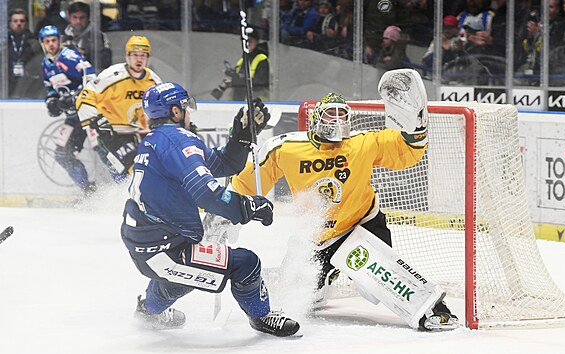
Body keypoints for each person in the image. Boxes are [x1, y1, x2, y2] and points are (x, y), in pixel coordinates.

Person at [230, 70, 459, 332]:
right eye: (331, 114)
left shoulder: (361, 143)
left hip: (362, 227)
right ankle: (326, 279)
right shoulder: (286, 148)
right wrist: (230, 210)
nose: (337, 120)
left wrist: (415, 127)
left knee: (375, 284)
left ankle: (433, 309)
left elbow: (406, 152)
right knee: (297, 295)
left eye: (342, 115)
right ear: (317, 118)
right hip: (316, 236)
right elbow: (246, 183)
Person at [120, 82, 300, 337]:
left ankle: (148, 311)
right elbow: (206, 192)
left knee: (185, 277)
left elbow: (223, 163)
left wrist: (240, 137)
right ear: (175, 111)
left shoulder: (156, 140)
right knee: (246, 263)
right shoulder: (177, 139)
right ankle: (262, 317)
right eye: (185, 108)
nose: (189, 113)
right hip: (166, 247)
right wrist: (249, 206)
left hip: (147, 243)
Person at [76, 35, 161, 183]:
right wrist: (98, 121)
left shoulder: (153, 80)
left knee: (146, 170)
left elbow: (162, 105)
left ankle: (137, 201)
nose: (139, 59)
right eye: (135, 55)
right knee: (127, 170)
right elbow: (83, 99)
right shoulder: (112, 75)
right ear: (127, 56)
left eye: (143, 55)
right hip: (110, 134)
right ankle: (126, 201)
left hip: (140, 134)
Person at [39, 25, 97, 194]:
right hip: (73, 118)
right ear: (42, 44)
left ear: (59, 41)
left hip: (90, 115)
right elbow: (50, 88)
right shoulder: (45, 64)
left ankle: (122, 189)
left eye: (54, 40)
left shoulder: (70, 57)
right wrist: (51, 101)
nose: (51, 44)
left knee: (104, 151)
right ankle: (89, 192)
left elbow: (93, 79)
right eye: (47, 41)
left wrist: (76, 95)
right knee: (61, 154)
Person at [63, 1, 113, 73]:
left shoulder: (97, 36)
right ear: (69, 17)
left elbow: (105, 62)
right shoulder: (62, 36)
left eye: (82, 17)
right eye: (75, 17)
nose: (78, 21)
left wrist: (84, 55)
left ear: (88, 18)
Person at [223, 29, 270, 101]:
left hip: (255, 106)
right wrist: (232, 81)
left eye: (250, 40)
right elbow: (241, 79)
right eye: (245, 41)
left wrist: (238, 80)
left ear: (256, 41)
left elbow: (260, 83)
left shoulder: (262, 59)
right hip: (237, 103)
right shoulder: (241, 61)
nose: (247, 43)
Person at [8, 8, 39, 98]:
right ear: (10, 24)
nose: (18, 24)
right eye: (15, 21)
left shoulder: (33, 42)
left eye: (22, 21)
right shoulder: (5, 43)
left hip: (28, 83)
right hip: (8, 83)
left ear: (26, 24)